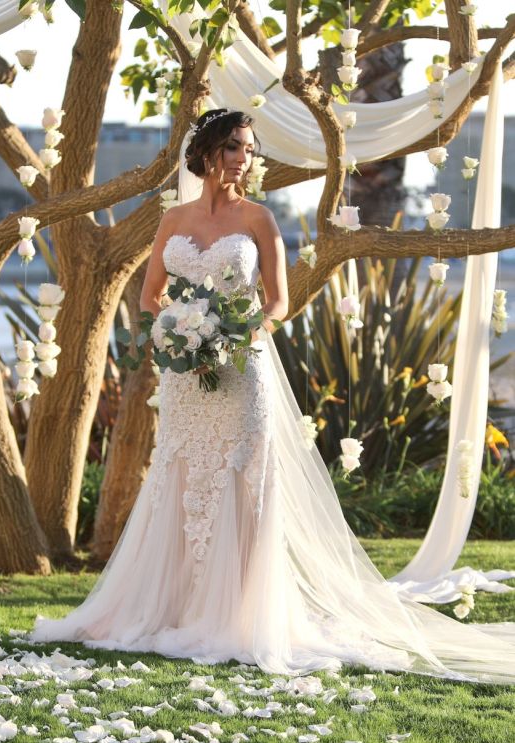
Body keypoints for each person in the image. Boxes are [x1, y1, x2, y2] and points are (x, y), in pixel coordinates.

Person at [28, 109, 515, 684]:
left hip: (242, 368)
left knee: (244, 479)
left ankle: (240, 615)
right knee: (181, 477)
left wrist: (231, 333)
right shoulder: (173, 220)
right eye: (235, 147)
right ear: (209, 153)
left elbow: (279, 302)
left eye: (251, 149)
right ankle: (174, 607)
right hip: (188, 375)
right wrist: (185, 327)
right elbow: (152, 295)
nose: (245, 158)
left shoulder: (259, 218)